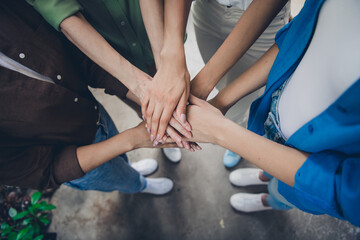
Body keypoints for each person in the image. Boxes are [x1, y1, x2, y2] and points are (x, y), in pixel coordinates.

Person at [186, 0, 360, 227]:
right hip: (274, 110)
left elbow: (348, 191)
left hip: (311, 162)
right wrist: (221, 102)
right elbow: (296, 33)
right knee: (267, 161)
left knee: (284, 192)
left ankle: (269, 200)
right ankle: (265, 173)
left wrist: (222, 132)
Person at [0, 0, 177, 195]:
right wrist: (133, 139)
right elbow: (45, 170)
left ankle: (131, 168)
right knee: (119, 178)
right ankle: (140, 185)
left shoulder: (8, 10)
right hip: (75, 161)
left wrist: (149, 96)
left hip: (92, 112)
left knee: (119, 155)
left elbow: (76, 54)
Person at [27, 0, 199, 162]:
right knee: (144, 106)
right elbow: (61, 13)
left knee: (172, 93)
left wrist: (165, 61)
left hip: (150, 24)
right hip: (107, 51)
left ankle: (164, 127)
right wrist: (139, 86)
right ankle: (160, 131)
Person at [190, 0, 290, 167]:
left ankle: (238, 130)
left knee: (240, 99)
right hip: (207, 9)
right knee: (222, 82)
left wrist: (208, 90)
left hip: (263, 18)